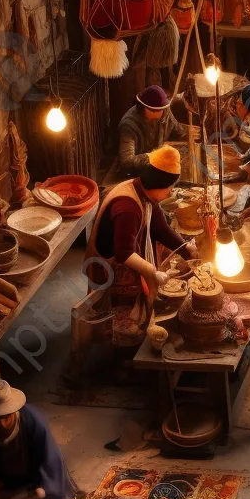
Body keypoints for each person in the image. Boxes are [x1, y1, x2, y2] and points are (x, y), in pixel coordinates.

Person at [85, 144, 198, 347]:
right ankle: (121, 354)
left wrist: (185, 248)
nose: (171, 192)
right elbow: (123, 252)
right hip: (109, 269)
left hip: (122, 258)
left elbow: (160, 229)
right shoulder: (128, 207)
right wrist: (151, 271)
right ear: (158, 183)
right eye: (170, 187)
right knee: (128, 328)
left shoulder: (143, 191)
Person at [112, 84, 188, 181]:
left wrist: (186, 150)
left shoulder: (164, 111)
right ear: (145, 108)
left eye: (163, 110)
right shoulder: (129, 125)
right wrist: (154, 156)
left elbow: (179, 133)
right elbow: (126, 161)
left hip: (157, 166)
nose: (161, 113)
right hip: (135, 175)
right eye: (157, 111)